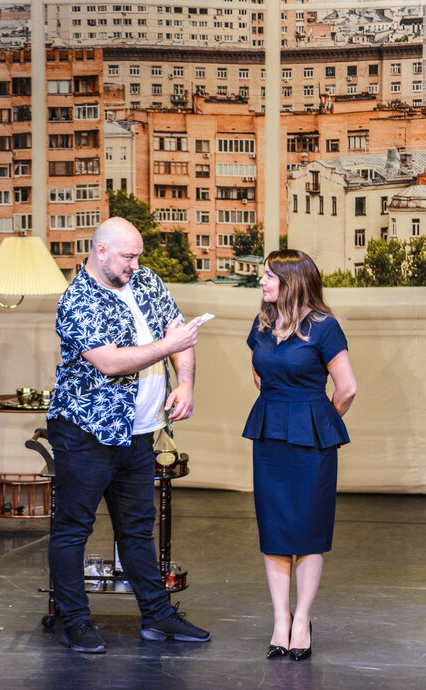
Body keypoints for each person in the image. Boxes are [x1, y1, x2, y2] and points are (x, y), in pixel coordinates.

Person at [46, 216, 211, 653]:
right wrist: (170, 346)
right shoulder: (78, 299)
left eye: (138, 256)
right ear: (100, 251)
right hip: (86, 431)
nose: (135, 265)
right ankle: (75, 621)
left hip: (139, 432)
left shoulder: (147, 280)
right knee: (73, 528)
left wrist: (185, 383)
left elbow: (180, 332)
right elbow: (110, 362)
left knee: (137, 530)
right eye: (127, 257)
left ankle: (157, 617)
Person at [242, 249, 356, 661]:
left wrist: (316, 419)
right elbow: (260, 373)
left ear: (291, 281)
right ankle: (280, 620)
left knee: (308, 531)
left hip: (311, 442)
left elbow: (346, 388)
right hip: (269, 435)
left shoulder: (324, 328)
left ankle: (302, 620)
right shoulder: (262, 323)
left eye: (268, 276)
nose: (262, 282)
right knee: (274, 530)